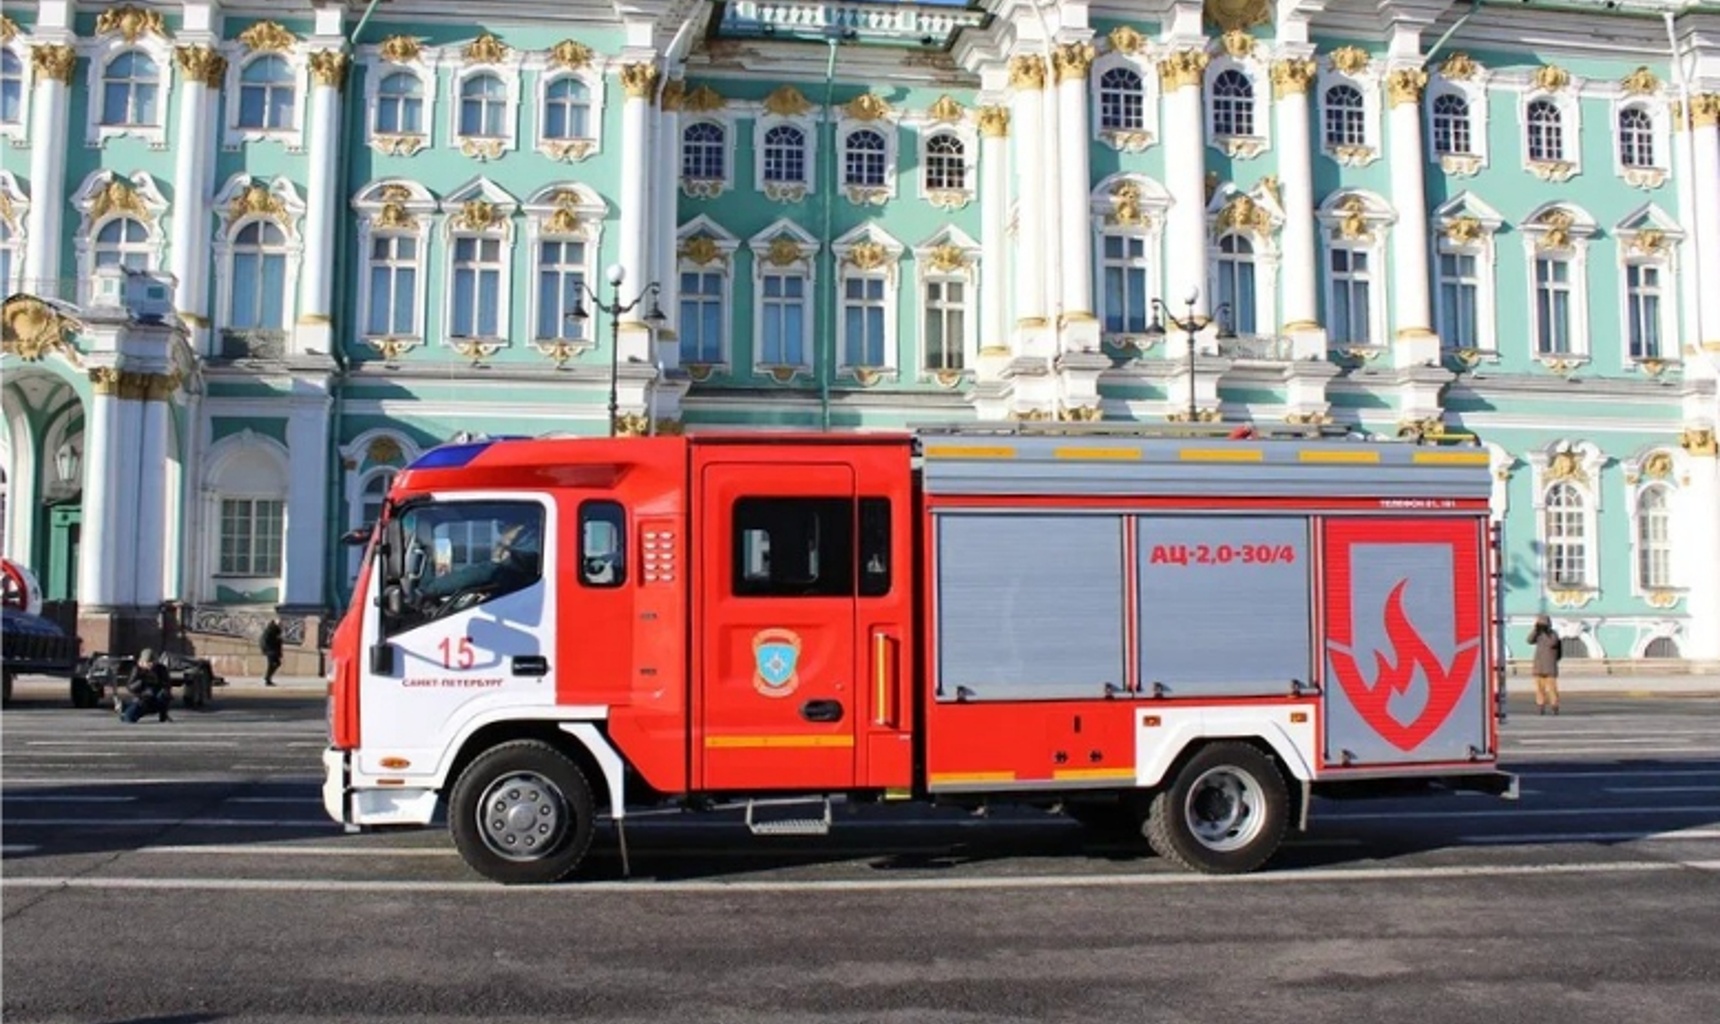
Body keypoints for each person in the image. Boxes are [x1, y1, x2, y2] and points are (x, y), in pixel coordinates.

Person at [117, 648, 173, 723]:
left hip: (156, 696)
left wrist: (159, 684)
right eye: (148, 662)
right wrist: (142, 681)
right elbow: (130, 687)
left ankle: (163, 715)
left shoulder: (161, 669)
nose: (151, 664)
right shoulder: (137, 669)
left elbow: (167, 684)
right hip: (142, 698)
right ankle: (126, 707)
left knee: (164, 695)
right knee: (129, 718)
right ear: (142, 662)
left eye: (152, 662)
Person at [1527, 614, 1562, 715]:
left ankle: (1554, 705)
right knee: (1539, 689)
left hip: (1550, 667)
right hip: (1539, 666)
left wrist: (1545, 632)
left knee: (1552, 689)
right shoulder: (1537, 634)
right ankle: (1541, 705)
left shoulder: (1553, 634)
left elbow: (1552, 643)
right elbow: (1529, 640)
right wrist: (1535, 630)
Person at [259, 619, 283, 687]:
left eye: (281, 622)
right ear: (275, 622)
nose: (281, 623)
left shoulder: (276, 629)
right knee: (272, 664)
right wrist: (265, 649)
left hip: (273, 650)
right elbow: (264, 640)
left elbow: (278, 642)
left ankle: (268, 678)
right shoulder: (271, 629)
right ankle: (267, 679)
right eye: (279, 622)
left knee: (277, 663)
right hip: (270, 650)